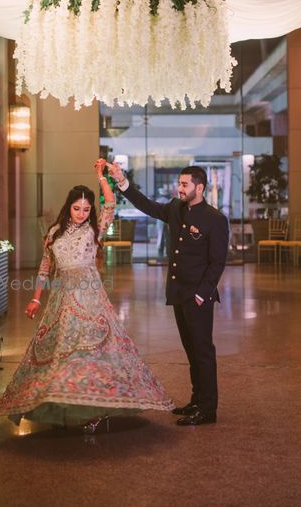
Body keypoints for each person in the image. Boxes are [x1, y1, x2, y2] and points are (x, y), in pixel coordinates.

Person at [0, 159, 173, 432]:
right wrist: (36, 298)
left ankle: (95, 409)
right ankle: (62, 404)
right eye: (77, 208)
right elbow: (44, 267)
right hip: (61, 298)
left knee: (91, 350)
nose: (82, 213)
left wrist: (101, 177)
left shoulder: (93, 230)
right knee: (62, 349)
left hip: (90, 297)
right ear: (68, 207)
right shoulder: (53, 233)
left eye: (87, 209)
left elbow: (109, 204)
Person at [108, 163, 229, 426]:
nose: (180, 188)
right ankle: (197, 401)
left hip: (198, 296)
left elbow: (217, 262)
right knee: (191, 350)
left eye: (185, 184)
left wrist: (202, 294)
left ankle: (208, 409)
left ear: (200, 187)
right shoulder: (176, 208)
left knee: (203, 351)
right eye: (180, 184)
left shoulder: (215, 219)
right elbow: (148, 206)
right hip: (179, 293)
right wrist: (122, 182)